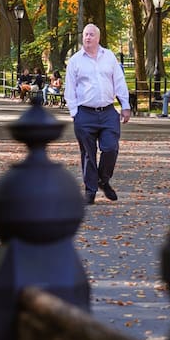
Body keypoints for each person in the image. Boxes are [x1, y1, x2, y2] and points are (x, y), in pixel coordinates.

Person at [64, 23, 132, 204]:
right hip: (84, 113)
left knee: (111, 148)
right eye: (85, 34)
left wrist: (125, 105)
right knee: (88, 153)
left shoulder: (109, 57)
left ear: (98, 38)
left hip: (108, 111)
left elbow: (119, 81)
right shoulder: (76, 60)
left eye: (91, 34)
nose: (87, 37)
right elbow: (69, 88)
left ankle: (103, 179)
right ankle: (90, 190)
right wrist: (74, 113)